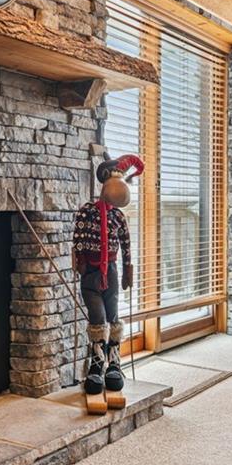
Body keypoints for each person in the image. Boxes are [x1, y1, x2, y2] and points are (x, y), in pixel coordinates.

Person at [72, 154, 143, 396]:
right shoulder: (87, 211)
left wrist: (127, 271)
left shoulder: (118, 216)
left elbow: (126, 245)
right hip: (91, 272)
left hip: (111, 271)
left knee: (113, 315)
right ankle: (96, 362)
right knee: (97, 317)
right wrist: (80, 262)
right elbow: (78, 238)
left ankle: (113, 361)